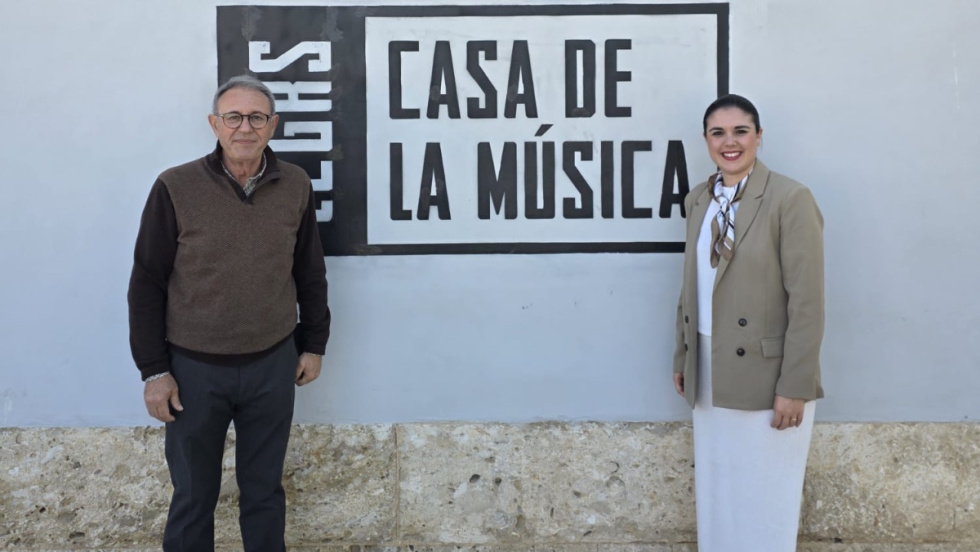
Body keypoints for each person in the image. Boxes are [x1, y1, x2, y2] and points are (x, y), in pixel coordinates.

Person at [127, 74, 330, 552]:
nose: (245, 127)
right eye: (234, 117)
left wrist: (315, 344)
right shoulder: (174, 187)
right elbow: (146, 283)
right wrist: (154, 370)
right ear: (214, 124)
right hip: (193, 371)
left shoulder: (295, 184)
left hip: (272, 364)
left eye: (257, 117)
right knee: (194, 496)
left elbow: (310, 270)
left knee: (264, 494)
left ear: (272, 125)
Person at [672, 94, 824, 551]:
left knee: (765, 498)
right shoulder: (699, 199)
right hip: (708, 367)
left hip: (767, 374)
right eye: (718, 133)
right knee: (720, 495)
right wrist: (683, 355)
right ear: (705, 141)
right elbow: (691, 285)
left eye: (741, 131)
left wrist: (794, 383)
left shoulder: (789, 198)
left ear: (759, 136)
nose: (730, 142)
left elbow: (808, 301)